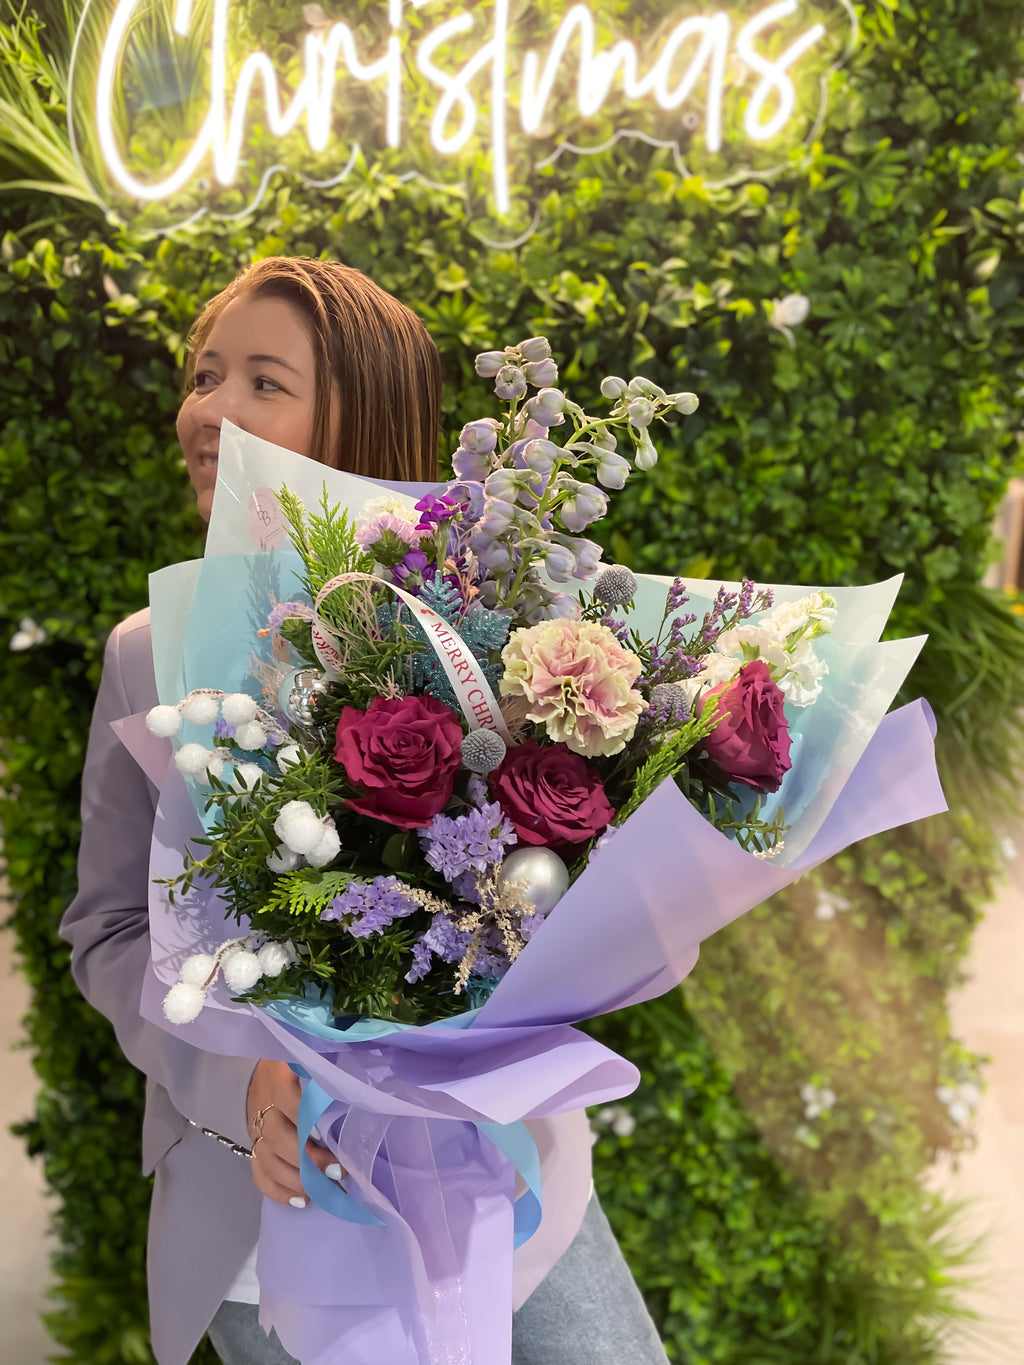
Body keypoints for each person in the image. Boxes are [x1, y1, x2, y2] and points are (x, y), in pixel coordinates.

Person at [60, 256, 669, 1365]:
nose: (210, 410)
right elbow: (104, 931)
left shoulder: (501, 627)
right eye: (205, 376)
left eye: (261, 380)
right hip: (271, 1196)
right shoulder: (148, 656)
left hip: (503, 1179)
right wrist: (243, 1074)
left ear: (358, 415)